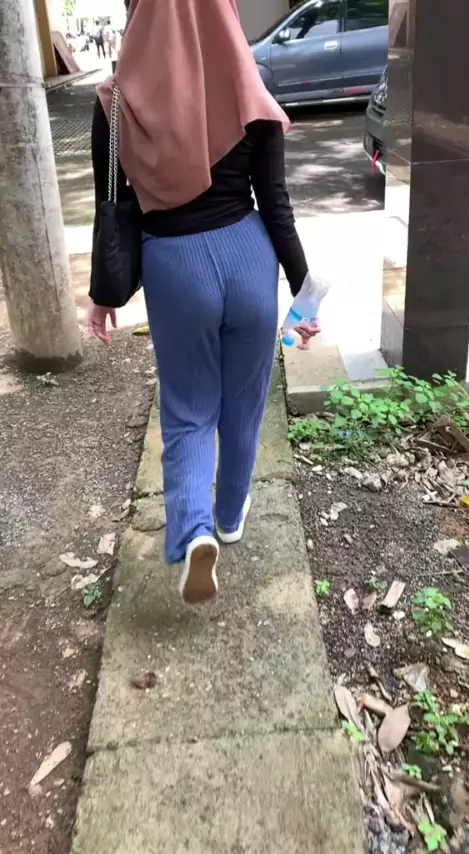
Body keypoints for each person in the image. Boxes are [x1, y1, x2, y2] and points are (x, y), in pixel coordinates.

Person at [88, 0, 317, 605]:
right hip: (250, 258)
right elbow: (276, 203)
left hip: (175, 268)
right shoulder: (249, 83)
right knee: (244, 404)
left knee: (188, 410)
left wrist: (103, 297)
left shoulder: (115, 100)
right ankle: (231, 516)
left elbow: (112, 207)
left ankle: (194, 531)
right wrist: (304, 291)